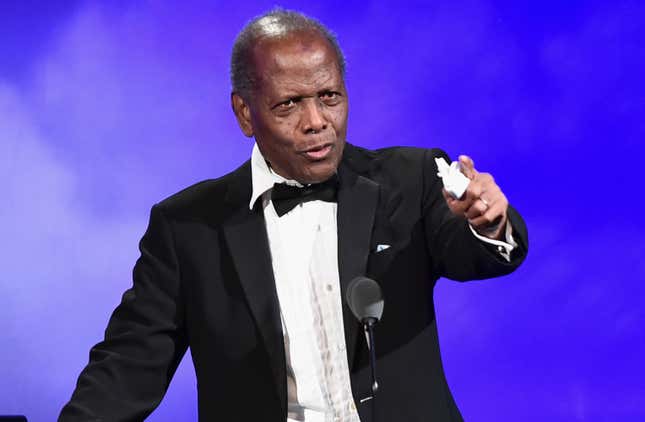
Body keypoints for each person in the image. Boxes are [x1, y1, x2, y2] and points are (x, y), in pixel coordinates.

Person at [59, 8, 528, 422]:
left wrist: (486, 223)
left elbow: (476, 256)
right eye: (289, 104)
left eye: (329, 96)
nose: (316, 121)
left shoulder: (412, 179)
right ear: (245, 114)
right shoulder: (187, 226)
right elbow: (128, 364)